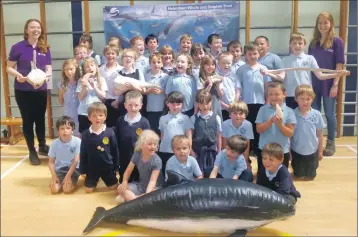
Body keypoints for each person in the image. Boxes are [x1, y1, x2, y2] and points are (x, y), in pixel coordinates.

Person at [6, 19, 52, 165]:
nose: (35, 30)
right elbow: (9, 67)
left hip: (40, 89)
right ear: (26, 30)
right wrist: (18, 75)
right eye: (32, 27)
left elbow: (48, 68)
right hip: (23, 90)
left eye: (38, 27)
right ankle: (32, 150)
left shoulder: (45, 47)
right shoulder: (17, 47)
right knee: (28, 120)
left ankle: (43, 146)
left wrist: (47, 76)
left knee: (40, 118)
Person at [263, 32, 349, 109]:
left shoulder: (310, 58)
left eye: (300, 43)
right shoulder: (285, 60)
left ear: (304, 45)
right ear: (290, 45)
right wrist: (268, 73)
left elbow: (320, 75)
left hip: (306, 95)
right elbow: (281, 77)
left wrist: (338, 74)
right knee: (292, 121)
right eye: (294, 43)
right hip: (290, 95)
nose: (297, 46)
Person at [308, 12, 346, 156]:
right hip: (314, 84)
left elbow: (339, 64)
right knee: (315, 114)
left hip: (329, 84)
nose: (323, 25)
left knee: (330, 114)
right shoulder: (313, 43)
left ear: (331, 24)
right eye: (320, 23)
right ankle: (316, 142)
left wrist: (335, 84)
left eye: (326, 22)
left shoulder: (337, 42)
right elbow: (310, 65)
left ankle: (331, 142)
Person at [235, 42, 271, 155]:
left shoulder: (263, 69)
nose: (252, 56)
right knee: (248, 125)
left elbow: (267, 87)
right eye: (249, 54)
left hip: (261, 102)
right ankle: (248, 150)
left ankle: (257, 148)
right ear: (245, 55)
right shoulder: (241, 70)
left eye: (255, 53)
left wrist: (267, 101)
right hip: (247, 103)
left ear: (259, 54)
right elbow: (238, 87)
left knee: (258, 125)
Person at [79, 102, 119, 193]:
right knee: (88, 190)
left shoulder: (110, 132)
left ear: (105, 117)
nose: (97, 118)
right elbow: (83, 153)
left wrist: (116, 167)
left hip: (107, 167)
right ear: (89, 117)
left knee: (114, 188)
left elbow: (114, 150)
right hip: (92, 168)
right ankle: (95, 179)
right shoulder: (85, 134)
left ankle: (105, 179)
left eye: (100, 115)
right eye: (94, 116)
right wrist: (83, 170)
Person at [256, 81, 296, 170]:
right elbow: (258, 129)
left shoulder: (289, 111)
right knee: (263, 178)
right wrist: (270, 122)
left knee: (281, 176)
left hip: (282, 151)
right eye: (270, 94)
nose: (273, 97)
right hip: (264, 150)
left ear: (284, 94)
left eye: (277, 94)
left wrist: (280, 125)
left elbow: (290, 133)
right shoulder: (262, 109)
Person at [116, 130, 164, 203]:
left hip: (155, 188)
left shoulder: (157, 160)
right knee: (120, 188)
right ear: (141, 145)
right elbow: (127, 172)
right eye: (150, 144)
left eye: (155, 144)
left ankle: (134, 200)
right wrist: (124, 182)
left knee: (155, 194)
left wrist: (147, 194)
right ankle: (139, 201)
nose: (153, 146)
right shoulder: (137, 154)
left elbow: (152, 181)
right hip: (141, 185)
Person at [114, 90, 150, 183]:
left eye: (136, 105)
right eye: (130, 105)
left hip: (140, 158)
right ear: (125, 105)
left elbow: (148, 141)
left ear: (141, 106)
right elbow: (116, 141)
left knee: (140, 181)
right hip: (124, 158)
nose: (133, 108)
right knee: (124, 182)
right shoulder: (120, 121)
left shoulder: (144, 122)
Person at [291, 85, 326, 180]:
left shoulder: (317, 114)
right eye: (301, 98)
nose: (305, 101)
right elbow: (289, 135)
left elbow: (320, 135)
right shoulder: (292, 114)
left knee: (311, 176)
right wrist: (290, 151)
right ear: (296, 99)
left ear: (313, 99)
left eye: (308, 99)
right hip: (297, 150)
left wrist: (320, 151)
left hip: (312, 150)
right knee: (298, 175)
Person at [158, 91, 194, 174]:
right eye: (172, 104)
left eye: (178, 104)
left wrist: (189, 150)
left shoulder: (185, 118)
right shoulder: (162, 118)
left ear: (182, 105)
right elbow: (162, 135)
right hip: (165, 151)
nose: (175, 106)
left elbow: (189, 136)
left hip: (180, 151)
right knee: (167, 172)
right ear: (167, 104)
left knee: (180, 173)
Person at [191, 90, 222, 178]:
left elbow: (218, 135)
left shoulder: (216, 118)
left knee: (211, 175)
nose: (205, 106)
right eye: (202, 104)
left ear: (211, 103)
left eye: (207, 103)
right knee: (199, 175)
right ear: (197, 104)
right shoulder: (193, 118)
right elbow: (190, 137)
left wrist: (219, 151)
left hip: (212, 152)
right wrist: (192, 152)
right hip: (198, 152)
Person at [48, 116, 81, 194]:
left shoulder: (77, 141)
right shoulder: (54, 144)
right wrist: (54, 176)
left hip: (74, 169)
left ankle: (73, 183)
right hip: (60, 169)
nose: (65, 131)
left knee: (67, 190)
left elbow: (76, 160)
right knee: (54, 190)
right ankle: (61, 182)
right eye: (62, 128)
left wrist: (68, 176)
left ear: (72, 130)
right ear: (58, 131)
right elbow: (51, 162)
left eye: (68, 128)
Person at [76, 57, 108, 134]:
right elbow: (80, 98)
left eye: (92, 65)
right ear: (84, 70)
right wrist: (84, 86)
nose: (90, 68)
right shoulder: (81, 81)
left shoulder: (101, 80)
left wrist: (94, 86)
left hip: (98, 114)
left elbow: (103, 97)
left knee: (99, 133)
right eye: (87, 66)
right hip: (84, 113)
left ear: (96, 67)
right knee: (85, 134)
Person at [221, 101, 254, 168]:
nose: (238, 116)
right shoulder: (225, 124)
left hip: (241, 153)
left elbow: (247, 146)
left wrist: (245, 161)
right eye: (235, 113)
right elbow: (224, 145)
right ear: (230, 114)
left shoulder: (248, 125)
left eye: (241, 113)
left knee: (248, 172)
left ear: (245, 115)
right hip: (229, 153)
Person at [144, 52, 169, 135]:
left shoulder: (166, 76)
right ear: (150, 64)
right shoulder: (146, 76)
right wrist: (149, 91)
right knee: (153, 131)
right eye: (153, 62)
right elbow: (143, 91)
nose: (156, 64)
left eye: (158, 62)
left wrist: (162, 91)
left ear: (162, 64)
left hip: (162, 109)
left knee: (162, 131)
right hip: (150, 109)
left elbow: (169, 91)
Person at [99, 45, 123, 127]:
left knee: (119, 126)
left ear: (117, 55)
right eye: (108, 53)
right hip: (106, 101)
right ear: (104, 55)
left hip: (119, 101)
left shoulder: (122, 69)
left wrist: (118, 100)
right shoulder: (100, 70)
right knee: (108, 126)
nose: (110, 56)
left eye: (113, 53)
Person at [196, 55, 224, 121]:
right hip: (204, 106)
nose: (210, 67)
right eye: (208, 65)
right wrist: (210, 85)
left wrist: (217, 85)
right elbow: (201, 96)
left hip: (215, 105)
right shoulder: (200, 79)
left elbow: (221, 95)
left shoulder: (217, 77)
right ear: (203, 66)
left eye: (212, 65)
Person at [58, 59, 81, 136]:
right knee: (69, 129)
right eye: (66, 70)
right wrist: (66, 107)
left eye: (71, 69)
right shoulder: (62, 83)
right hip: (68, 111)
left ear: (76, 69)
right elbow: (60, 98)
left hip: (79, 110)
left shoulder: (80, 81)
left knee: (79, 131)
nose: (69, 72)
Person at [216, 51, 237, 121]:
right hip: (221, 108)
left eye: (228, 63)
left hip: (234, 107)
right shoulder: (216, 77)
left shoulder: (234, 76)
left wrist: (234, 104)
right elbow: (216, 96)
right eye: (223, 63)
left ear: (232, 63)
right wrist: (225, 106)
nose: (226, 65)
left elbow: (238, 90)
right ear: (218, 63)